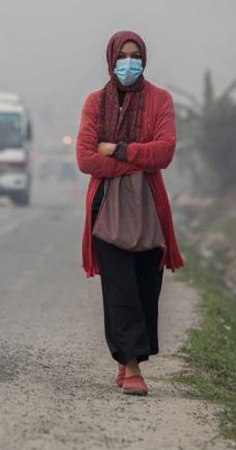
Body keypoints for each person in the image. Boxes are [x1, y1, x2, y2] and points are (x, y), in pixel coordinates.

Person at [76, 30, 184, 397]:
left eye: (135, 55)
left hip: (149, 208)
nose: (129, 62)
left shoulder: (161, 100)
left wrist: (118, 151)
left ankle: (129, 357)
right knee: (120, 288)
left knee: (145, 287)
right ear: (110, 59)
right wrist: (137, 159)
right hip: (107, 208)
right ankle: (133, 366)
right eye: (122, 55)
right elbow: (86, 158)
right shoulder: (95, 103)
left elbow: (164, 153)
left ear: (145, 58)